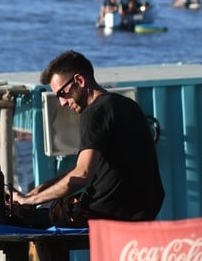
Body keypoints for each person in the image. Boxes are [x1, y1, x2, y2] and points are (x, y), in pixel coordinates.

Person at [13, 50, 164, 221]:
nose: (62, 103)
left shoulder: (94, 112)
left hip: (108, 210)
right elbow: (85, 169)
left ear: (79, 80)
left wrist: (29, 200)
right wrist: (40, 189)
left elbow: (83, 175)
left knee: (28, 219)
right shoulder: (126, 104)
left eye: (62, 94)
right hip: (145, 207)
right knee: (49, 204)